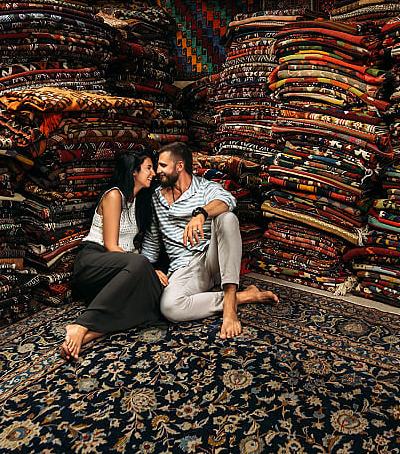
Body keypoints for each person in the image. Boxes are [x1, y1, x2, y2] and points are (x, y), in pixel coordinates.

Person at [143, 142, 278, 339]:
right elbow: (152, 242)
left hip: (214, 259)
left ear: (179, 166)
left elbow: (228, 201)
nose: (157, 171)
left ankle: (230, 305)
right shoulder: (156, 198)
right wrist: (148, 269)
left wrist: (201, 214)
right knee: (169, 308)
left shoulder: (205, 188)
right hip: (186, 268)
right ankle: (245, 296)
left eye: (163, 166)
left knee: (227, 217)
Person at [62, 151, 168, 359]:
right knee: (141, 264)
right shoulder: (114, 195)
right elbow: (111, 245)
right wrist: (148, 268)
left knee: (155, 303)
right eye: (148, 168)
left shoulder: (138, 202)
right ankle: (82, 322)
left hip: (119, 271)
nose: (153, 173)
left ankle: (87, 333)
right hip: (93, 261)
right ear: (133, 172)